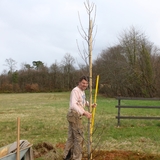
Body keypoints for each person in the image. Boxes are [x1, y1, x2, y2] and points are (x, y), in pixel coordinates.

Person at [63, 76, 96, 160]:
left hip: (74, 115)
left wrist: (90, 105)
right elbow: (74, 104)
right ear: (79, 82)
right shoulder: (75, 91)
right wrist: (84, 112)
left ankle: (67, 156)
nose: (85, 85)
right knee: (79, 138)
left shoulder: (82, 92)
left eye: (86, 83)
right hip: (74, 115)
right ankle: (76, 158)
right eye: (83, 83)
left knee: (71, 137)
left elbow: (82, 101)